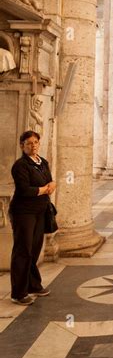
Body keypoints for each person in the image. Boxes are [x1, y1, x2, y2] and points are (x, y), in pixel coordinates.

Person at [10, 131, 55, 305]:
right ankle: (18, 293)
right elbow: (24, 190)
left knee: (35, 249)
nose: (33, 145)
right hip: (23, 212)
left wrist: (51, 185)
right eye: (29, 143)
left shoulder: (42, 162)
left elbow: (50, 181)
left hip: (40, 211)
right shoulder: (20, 165)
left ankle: (33, 285)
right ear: (22, 146)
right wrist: (44, 189)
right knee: (23, 250)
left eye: (35, 142)